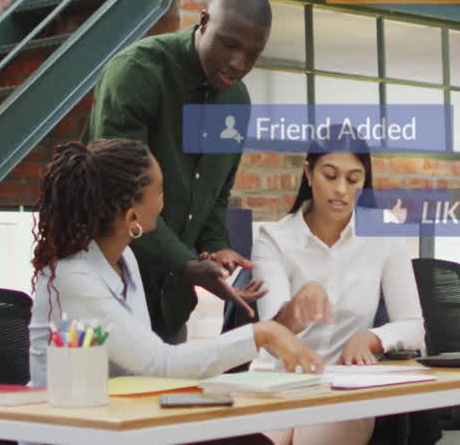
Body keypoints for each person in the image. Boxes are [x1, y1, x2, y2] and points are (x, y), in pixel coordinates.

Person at [27, 138, 324, 391]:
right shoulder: (72, 276)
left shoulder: (125, 259)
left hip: (121, 421)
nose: (163, 203)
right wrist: (264, 333)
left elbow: (145, 368)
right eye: (159, 191)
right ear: (132, 218)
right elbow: (159, 363)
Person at [85, 0, 272, 342]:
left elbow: (215, 194)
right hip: (108, 297)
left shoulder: (236, 101)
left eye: (253, 54)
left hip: (171, 309)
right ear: (204, 22)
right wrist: (185, 264)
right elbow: (120, 196)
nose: (238, 64)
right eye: (229, 44)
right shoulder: (137, 73)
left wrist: (216, 247)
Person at [250, 142, 426, 445]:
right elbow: (270, 336)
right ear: (308, 173)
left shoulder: (384, 236)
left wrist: (369, 339)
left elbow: (413, 326)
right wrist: (298, 307)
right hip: (274, 382)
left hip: (344, 388)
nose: (341, 189)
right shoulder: (273, 238)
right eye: (330, 176)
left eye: (353, 179)